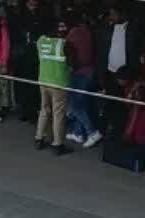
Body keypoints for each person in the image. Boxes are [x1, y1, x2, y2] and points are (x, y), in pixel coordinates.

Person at [35, 18, 73, 156]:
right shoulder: (64, 44)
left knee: (44, 109)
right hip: (59, 82)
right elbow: (71, 63)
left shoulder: (40, 41)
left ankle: (39, 138)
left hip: (43, 80)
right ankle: (58, 144)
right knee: (58, 113)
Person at [65, 12, 100, 147]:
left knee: (75, 105)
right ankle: (78, 133)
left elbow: (66, 48)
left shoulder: (74, 33)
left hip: (79, 72)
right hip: (90, 72)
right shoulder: (89, 31)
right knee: (82, 103)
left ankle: (92, 132)